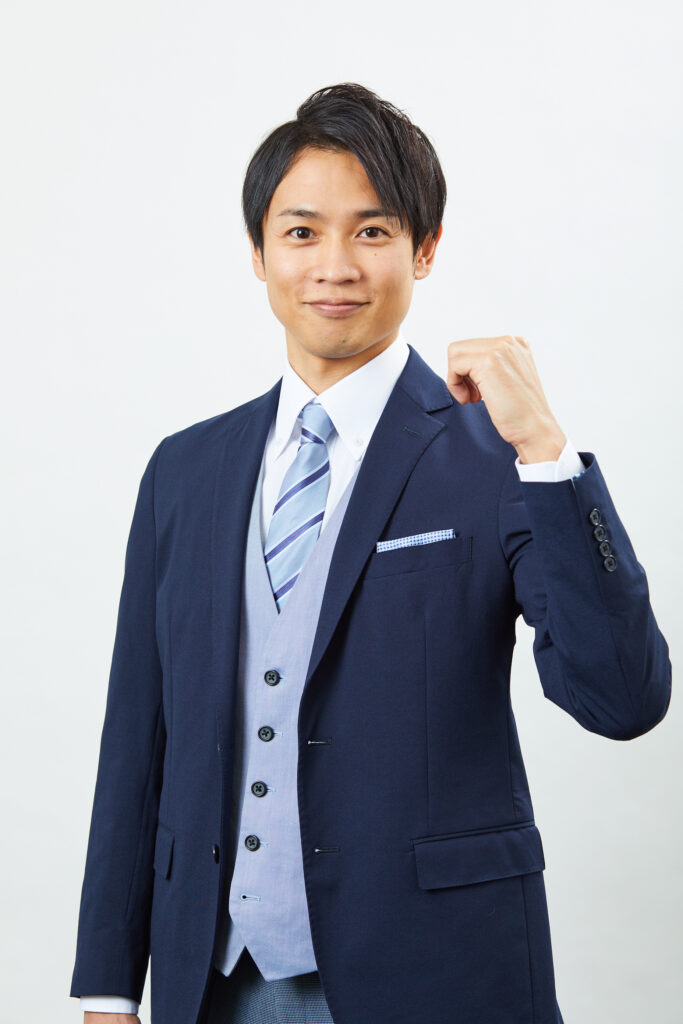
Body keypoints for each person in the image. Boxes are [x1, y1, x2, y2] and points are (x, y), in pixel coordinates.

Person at [70, 82, 671, 1024]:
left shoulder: (496, 456)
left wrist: (548, 456)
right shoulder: (184, 470)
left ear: (424, 248)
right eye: (301, 232)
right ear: (259, 253)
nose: (335, 266)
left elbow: (621, 699)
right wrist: (108, 983)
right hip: (216, 982)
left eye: (373, 231)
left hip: (437, 974)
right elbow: (136, 741)